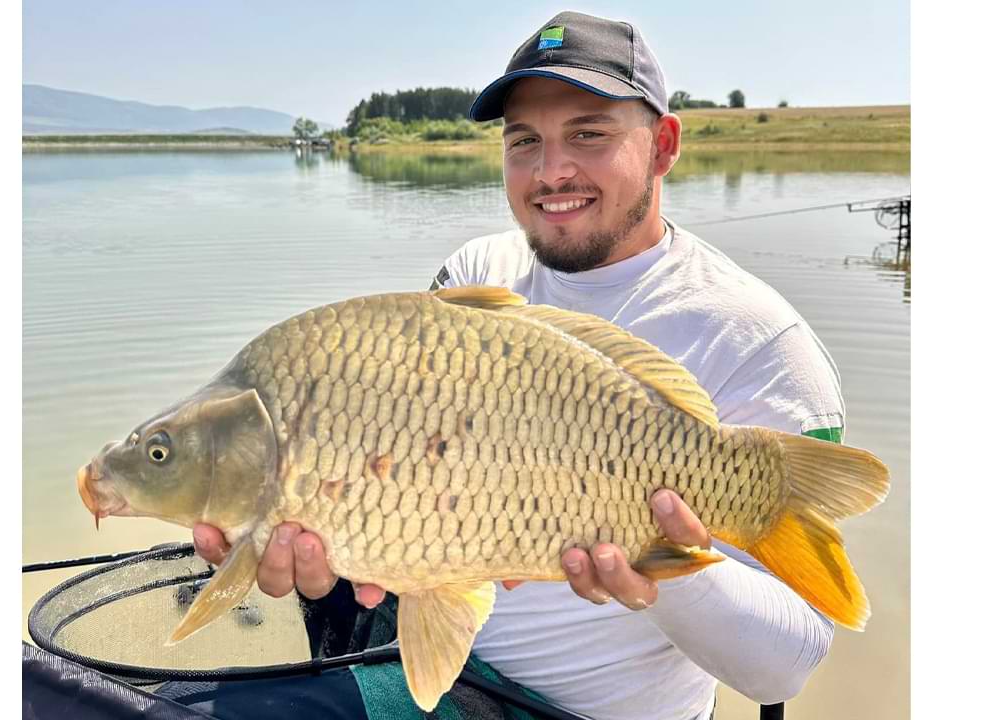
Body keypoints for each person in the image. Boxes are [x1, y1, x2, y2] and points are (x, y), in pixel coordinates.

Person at [183, 10, 843, 720]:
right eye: (524, 140)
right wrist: (321, 521)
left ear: (663, 146)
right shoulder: (477, 272)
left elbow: (786, 667)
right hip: (433, 659)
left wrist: (665, 564)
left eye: (588, 134)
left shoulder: (758, 339)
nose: (551, 171)